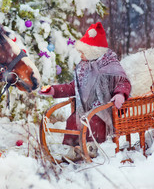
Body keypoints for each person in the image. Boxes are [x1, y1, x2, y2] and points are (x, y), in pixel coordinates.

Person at [40, 22, 131, 161]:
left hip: (104, 109)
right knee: (73, 119)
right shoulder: (84, 67)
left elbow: (123, 82)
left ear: (93, 51)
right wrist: (54, 90)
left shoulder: (110, 65)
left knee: (93, 121)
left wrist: (120, 94)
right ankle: (72, 148)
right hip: (85, 108)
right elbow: (73, 86)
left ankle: (91, 146)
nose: (80, 55)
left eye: (83, 52)